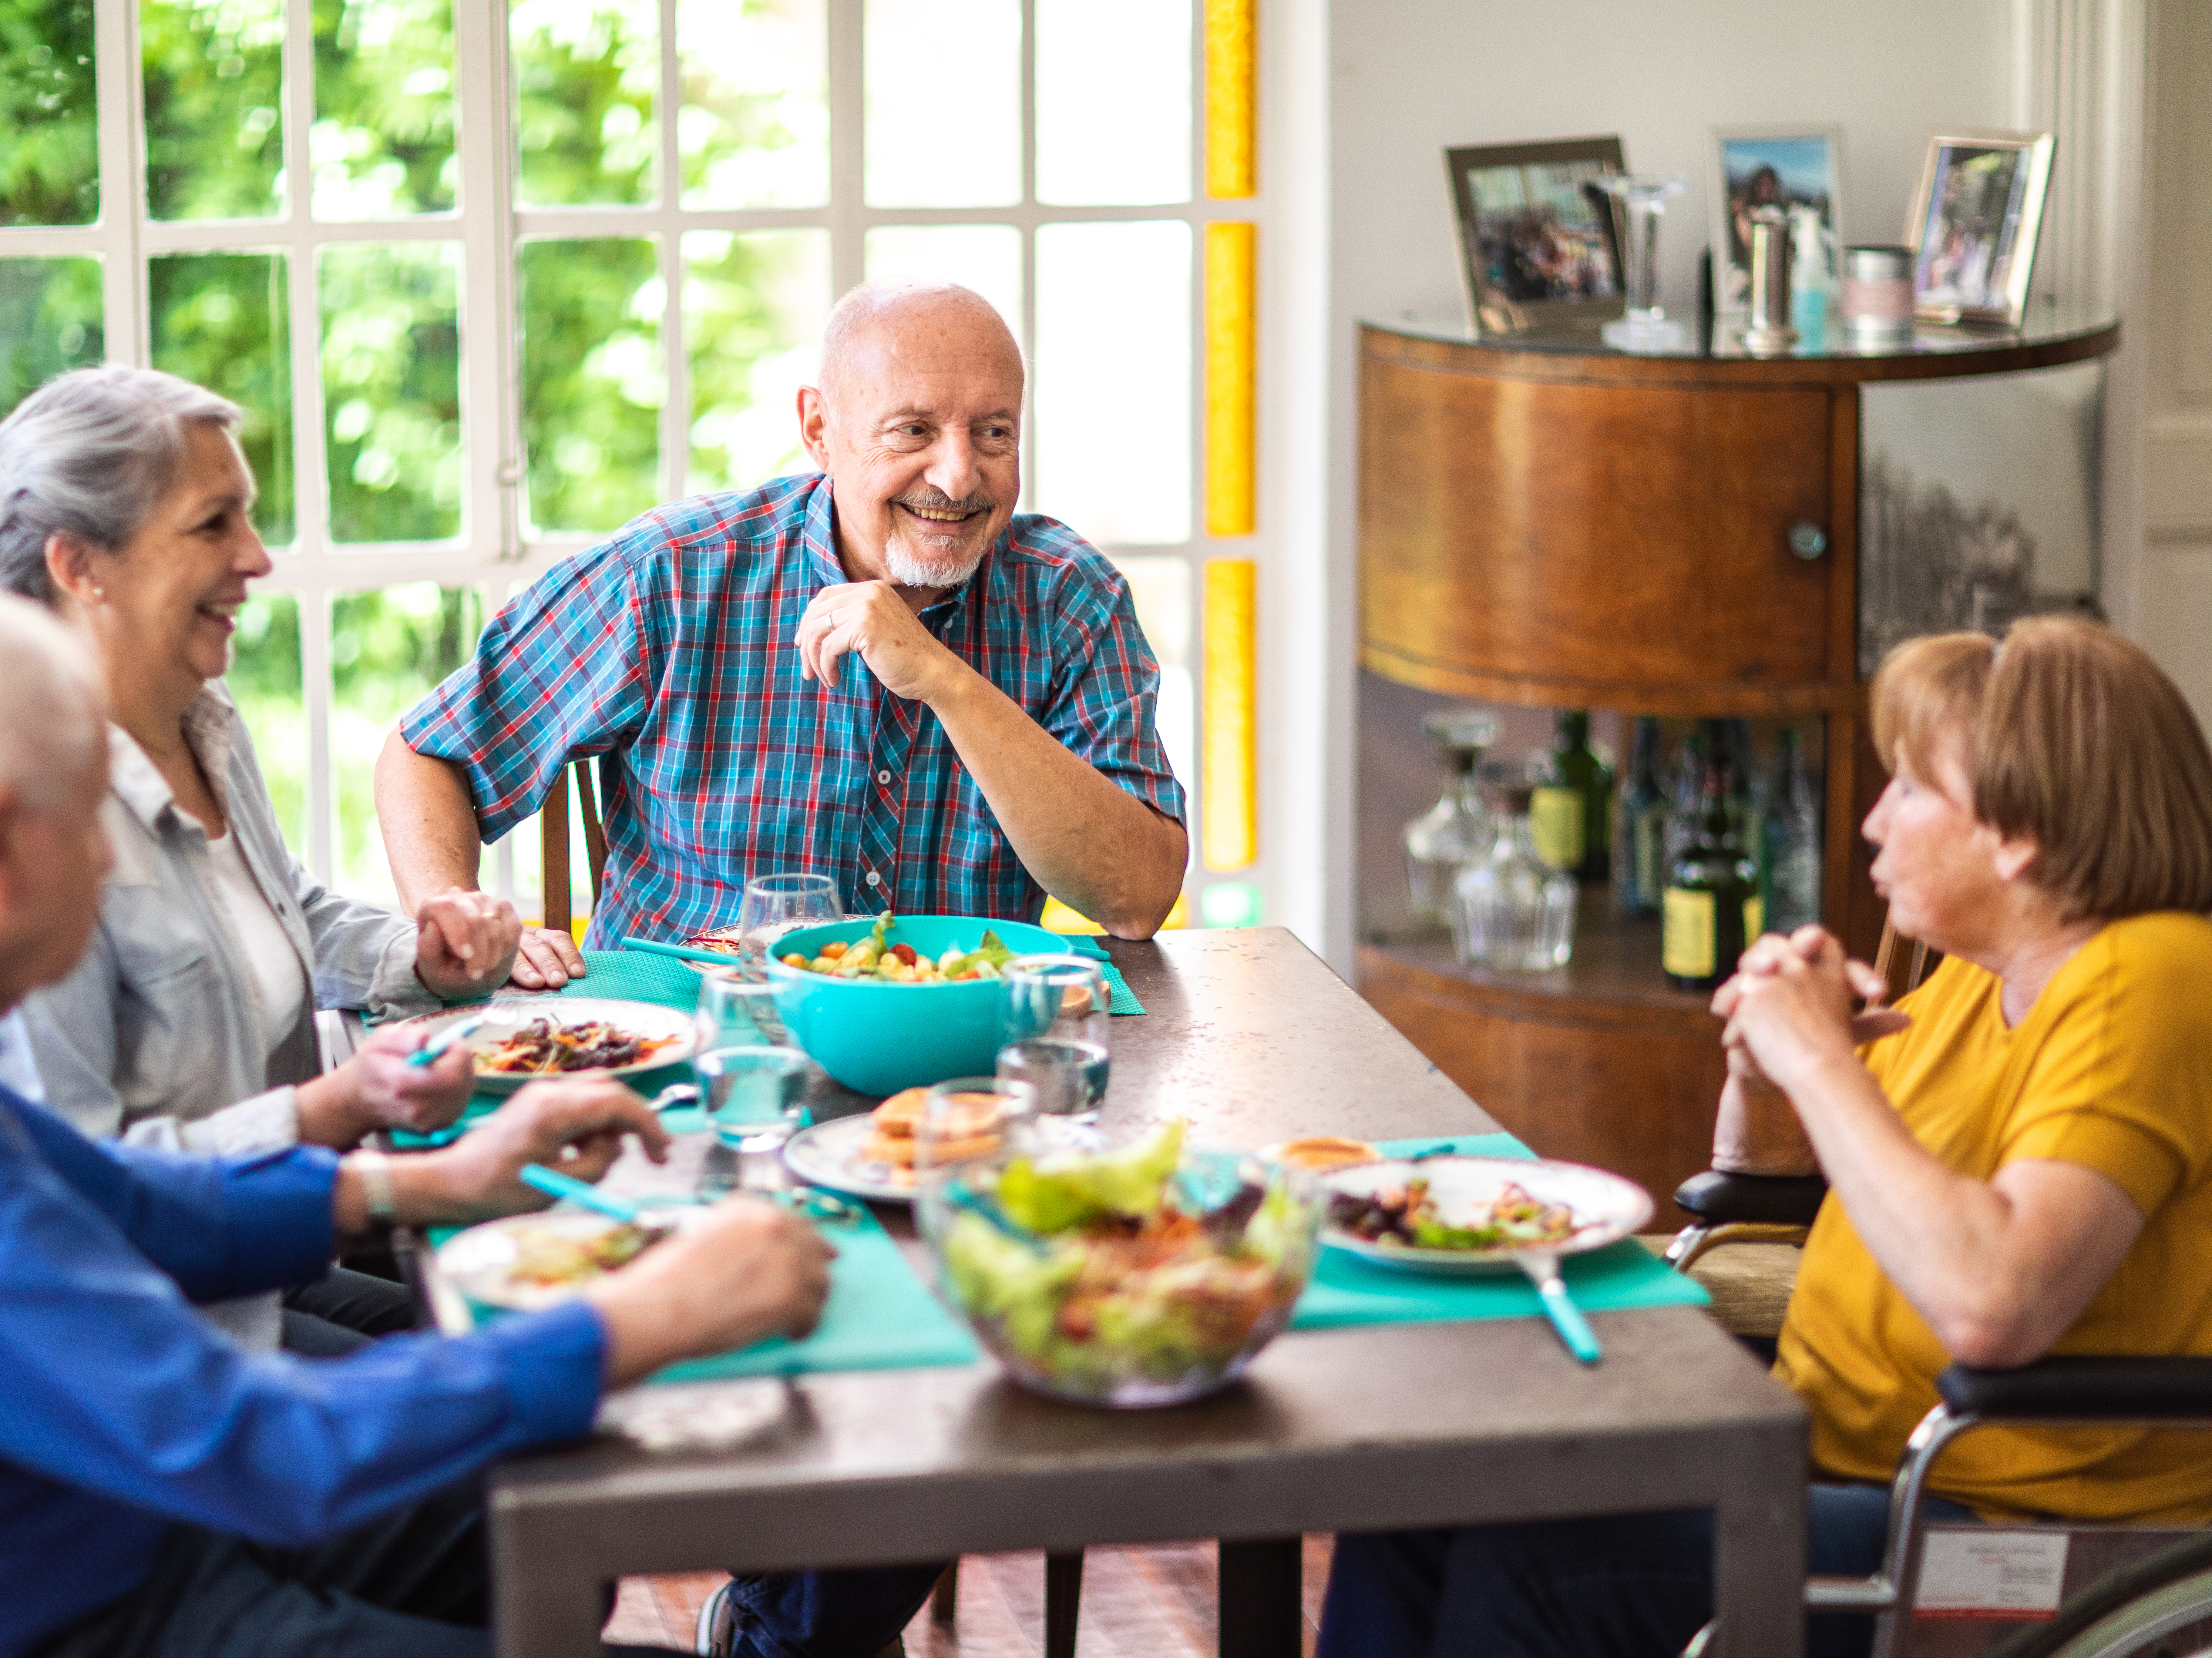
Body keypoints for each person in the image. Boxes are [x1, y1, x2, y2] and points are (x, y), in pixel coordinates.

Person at [0, 586, 834, 1658]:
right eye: (88, 821)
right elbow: (257, 1444)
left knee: (533, 1504)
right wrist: (644, 1318)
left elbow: (113, 1198)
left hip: (101, 1522)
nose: (115, 860)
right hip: (74, 1608)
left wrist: (427, 1186)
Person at [1317, 617, 2212, 1658]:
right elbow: (1774, 1178)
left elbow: (1994, 1303)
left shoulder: (2151, 979)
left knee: (1537, 1562)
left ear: (2020, 832)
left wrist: (1821, 1063)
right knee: (1431, 1483)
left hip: (2008, 1535)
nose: (1875, 823)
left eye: (1914, 790)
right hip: (1825, 1449)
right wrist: (1765, 1069)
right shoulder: (1983, 971)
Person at [0, 365, 558, 1352]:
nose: (257, 558)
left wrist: (420, 958)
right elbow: (76, 1188)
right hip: (140, 1338)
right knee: (513, 1411)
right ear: (82, 564)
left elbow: (282, 910)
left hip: (259, 1269)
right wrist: (335, 1107)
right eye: (213, 525)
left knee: (535, 1313)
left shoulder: (200, 724)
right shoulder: (27, 824)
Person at [376, 278, 1190, 988]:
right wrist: (456, 914)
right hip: (695, 1047)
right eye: (912, 431)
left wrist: (946, 679)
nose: (958, 474)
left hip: (957, 1065)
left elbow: (1137, 894)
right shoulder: (674, 572)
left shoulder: (1068, 596)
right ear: (818, 430)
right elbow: (428, 752)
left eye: (994, 433)